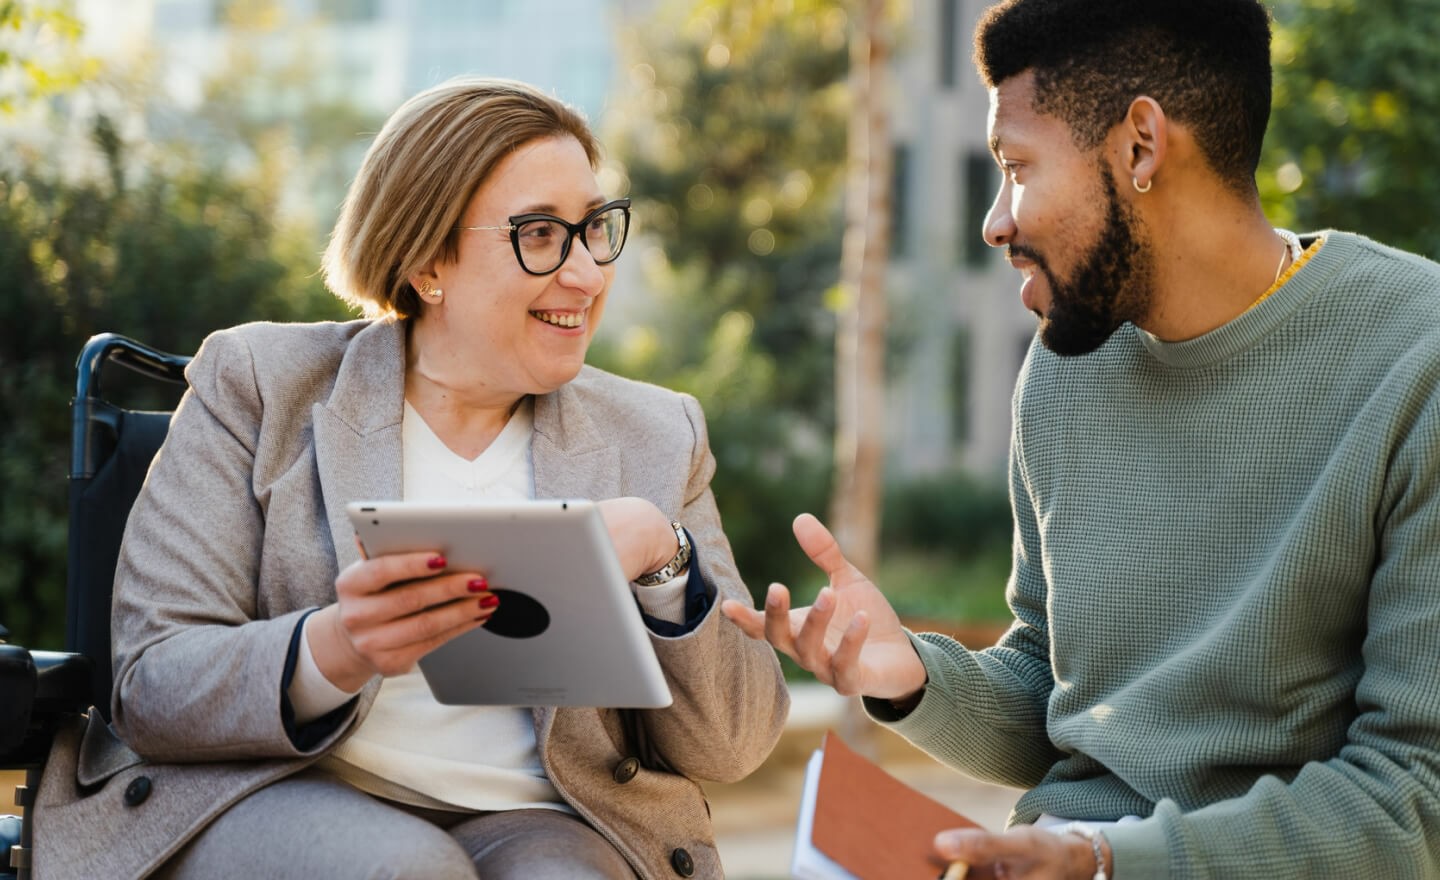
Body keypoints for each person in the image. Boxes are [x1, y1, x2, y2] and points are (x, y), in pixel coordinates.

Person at [724, 0, 1440, 877]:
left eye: (1016, 167)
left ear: (1141, 146)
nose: (995, 222)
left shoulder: (1417, 358)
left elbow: (1415, 797)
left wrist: (1104, 861)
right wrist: (909, 673)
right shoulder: (1068, 363)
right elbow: (1060, 698)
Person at [33, 77, 788, 879]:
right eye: (540, 234)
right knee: (407, 869)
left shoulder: (657, 434)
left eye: (594, 228)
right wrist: (336, 648)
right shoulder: (258, 384)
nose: (588, 275)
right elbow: (152, 684)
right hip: (276, 791)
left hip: (543, 819)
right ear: (427, 260)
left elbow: (733, 744)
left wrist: (667, 563)